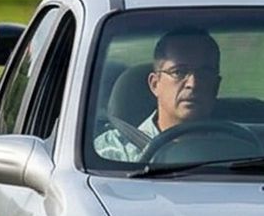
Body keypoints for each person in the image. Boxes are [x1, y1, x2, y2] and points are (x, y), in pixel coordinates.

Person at [92, 27, 220, 163]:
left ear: (216, 85)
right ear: (155, 84)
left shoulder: (240, 145)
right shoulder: (111, 151)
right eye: (178, 72)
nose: (193, 83)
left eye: (205, 73)